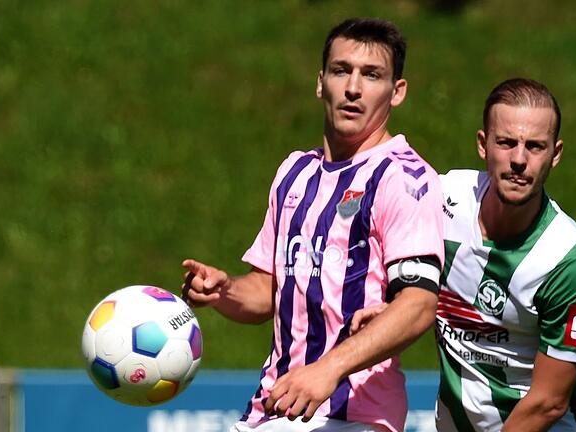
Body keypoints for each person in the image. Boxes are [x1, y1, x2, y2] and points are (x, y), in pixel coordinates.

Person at [181, 18, 445, 432]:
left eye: (371, 75)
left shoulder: (403, 179)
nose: (353, 88)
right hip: (275, 408)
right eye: (342, 71)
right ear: (321, 82)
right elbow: (267, 291)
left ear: (397, 93)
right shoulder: (296, 172)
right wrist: (223, 291)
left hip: (353, 415)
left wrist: (329, 369)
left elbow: (418, 305)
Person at [354, 78, 576, 431]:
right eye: (506, 143)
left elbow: (548, 403)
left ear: (556, 153)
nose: (519, 159)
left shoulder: (571, 261)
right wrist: (391, 305)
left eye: (535, 146)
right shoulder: (440, 200)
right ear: (482, 144)